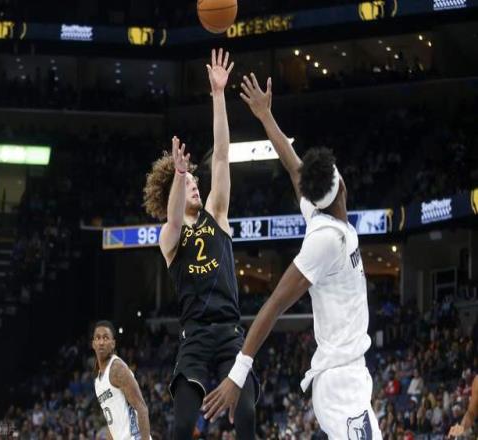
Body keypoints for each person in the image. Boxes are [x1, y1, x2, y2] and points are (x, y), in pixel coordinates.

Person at [202, 73, 382, 440]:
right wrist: (237, 374)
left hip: (353, 377)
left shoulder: (323, 214)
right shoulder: (325, 239)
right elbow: (274, 304)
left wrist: (265, 115)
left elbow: (292, 164)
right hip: (338, 383)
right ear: (342, 186)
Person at [143, 49, 257, 440]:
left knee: (246, 414)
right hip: (194, 335)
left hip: (230, 332)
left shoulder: (217, 214)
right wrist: (178, 174)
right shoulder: (169, 236)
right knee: (181, 424)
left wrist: (218, 94)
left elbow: (221, 156)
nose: (194, 184)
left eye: (194, 180)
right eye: (188, 182)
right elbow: (175, 218)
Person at [93, 320, 151, 440]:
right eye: (98, 338)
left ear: (113, 344)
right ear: (93, 344)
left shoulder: (117, 368)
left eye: (105, 338)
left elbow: (142, 408)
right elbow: (112, 424)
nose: (101, 342)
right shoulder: (98, 381)